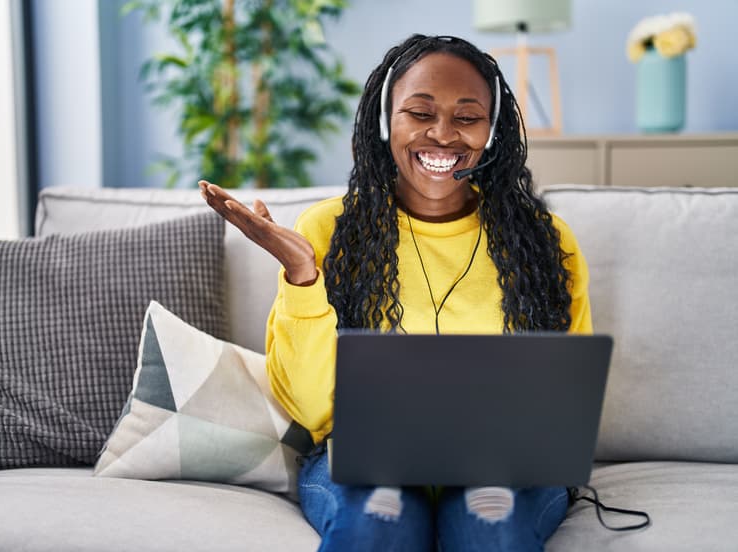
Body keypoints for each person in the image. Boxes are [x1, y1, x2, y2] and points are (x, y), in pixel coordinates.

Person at [200, 34, 591, 552]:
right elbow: (312, 410)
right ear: (387, 123)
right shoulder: (329, 230)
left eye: (468, 117)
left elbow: (565, 408)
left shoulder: (545, 241)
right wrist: (302, 276)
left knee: (488, 523)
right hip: (365, 463)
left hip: (504, 468)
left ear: (492, 132)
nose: (443, 134)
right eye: (420, 113)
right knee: (377, 523)